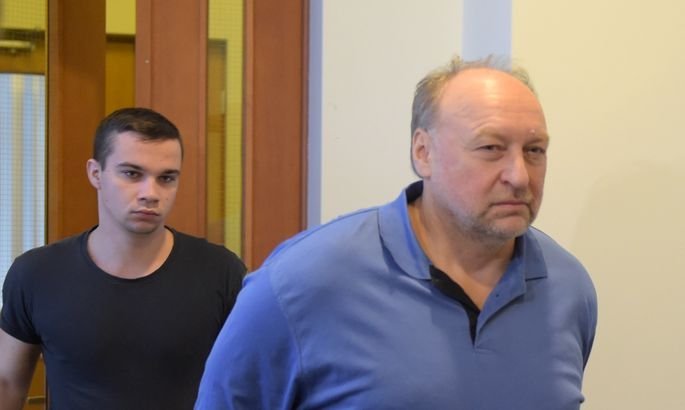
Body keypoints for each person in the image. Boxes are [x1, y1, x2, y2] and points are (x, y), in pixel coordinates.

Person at [195, 56, 598, 409]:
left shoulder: (567, 287)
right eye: (491, 148)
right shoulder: (301, 283)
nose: (519, 176)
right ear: (423, 153)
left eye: (534, 150)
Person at [0, 107, 246, 409]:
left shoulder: (220, 272)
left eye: (166, 178)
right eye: (132, 174)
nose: (150, 193)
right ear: (95, 173)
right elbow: (7, 383)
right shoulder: (37, 273)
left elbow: (252, 383)